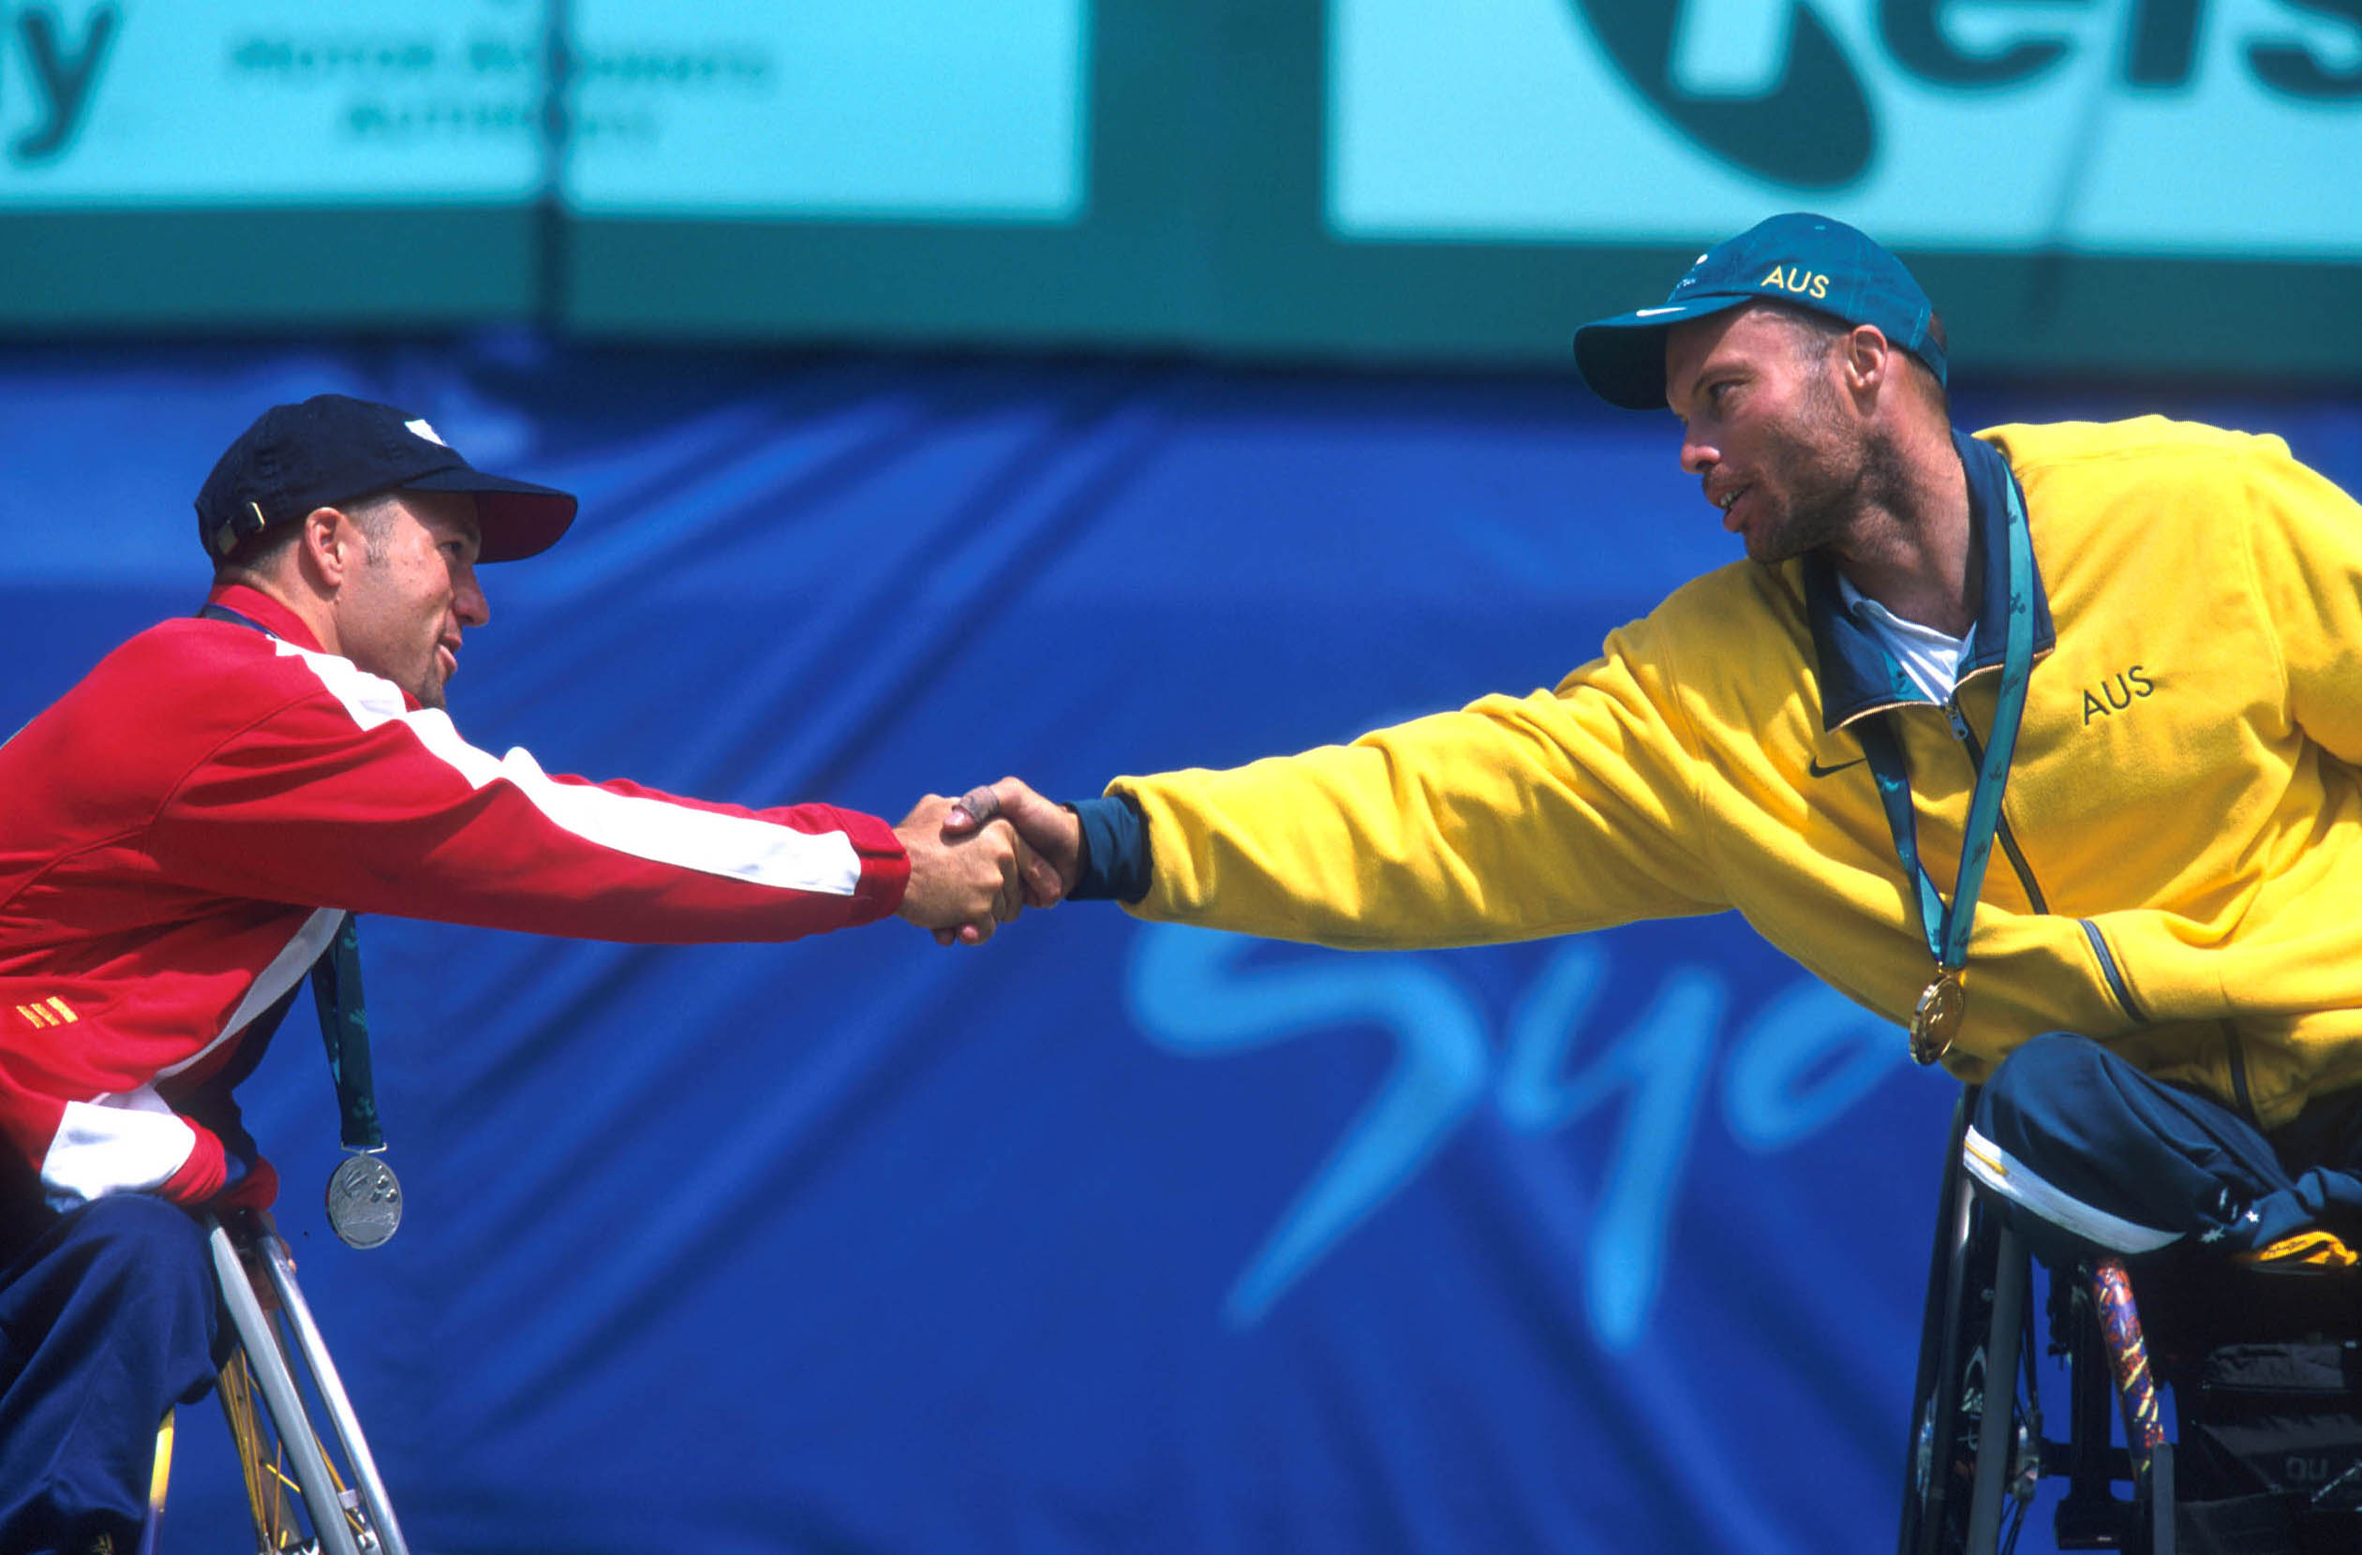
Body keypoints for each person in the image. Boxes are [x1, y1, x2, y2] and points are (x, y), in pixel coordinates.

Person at [955, 211, 2362, 1280]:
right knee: (2040, 1103)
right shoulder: (1700, 692)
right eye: (1679, 416)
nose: (1689, 450)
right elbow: (1434, 809)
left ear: (1863, 368)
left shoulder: (2200, 509)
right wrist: (1109, 843)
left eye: (1720, 394)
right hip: (2146, 1166)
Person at [0, 393, 1048, 1555]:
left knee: (140, 1265)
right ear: (330, 546)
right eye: (452, 553)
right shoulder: (253, 700)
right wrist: (889, 868)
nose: (478, 602)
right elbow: (565, 839)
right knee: (140, 1263)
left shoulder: (225, 696)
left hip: (41, 1205)